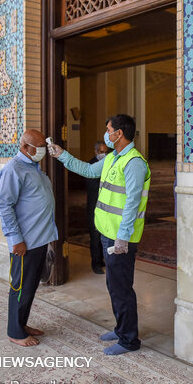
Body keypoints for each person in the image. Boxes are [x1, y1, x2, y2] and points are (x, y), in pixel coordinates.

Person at [48, 114, 150, 355]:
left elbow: (132, 203)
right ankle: (121, 327)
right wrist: (61, 154)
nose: (106, 134)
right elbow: (87, 169)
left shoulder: (134, 162)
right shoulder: (113, 157)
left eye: (109, 130)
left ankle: (129, 340)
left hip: (120, 239)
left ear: (119, 134)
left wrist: (122, 238)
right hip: (107, 233)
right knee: (113, 286)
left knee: (122, 288)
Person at [0, 129, 58, 347]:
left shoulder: (33, 167)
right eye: (40, 146)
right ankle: (15, 331)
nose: (44, 150)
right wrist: (16, 239)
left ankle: (21, 323)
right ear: (25, 147)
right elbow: (4, 207)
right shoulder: (14, 169)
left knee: (30, 285)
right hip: (25, 242)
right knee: (20, 286)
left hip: (39, 238)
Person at [87, 141, 108, 274]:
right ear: (96, 152)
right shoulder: (91, 165)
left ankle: (101, 260)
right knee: (95, 237)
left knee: (104, 235)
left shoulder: (108, 163)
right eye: (101, 152)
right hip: (94, 206)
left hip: (106, 207)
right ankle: (95, 264)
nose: (104, 155)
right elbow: (93, 186)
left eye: (106, 152)